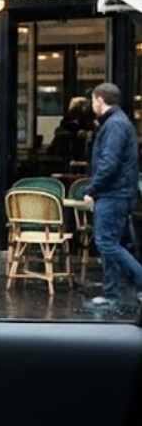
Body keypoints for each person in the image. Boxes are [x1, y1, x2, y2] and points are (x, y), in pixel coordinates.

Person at [82, 82, 142, 306]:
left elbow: (109, 163)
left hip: (114, 193)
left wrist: (92, 189)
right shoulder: (117, 122)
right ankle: (110, 294)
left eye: (93, 101)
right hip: (118, 192)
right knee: (111, 242)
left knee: (106, 243)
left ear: (100, 99)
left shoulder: (114, 125)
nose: (91, 105)